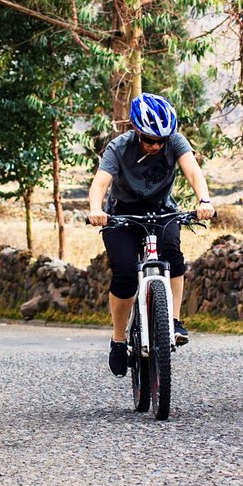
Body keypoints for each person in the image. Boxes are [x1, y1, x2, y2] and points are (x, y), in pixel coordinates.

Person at [85, 92, 215, 376]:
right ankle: (119, 340)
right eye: (149, 140)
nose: (156, 145)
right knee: (125, 275)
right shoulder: (118, 147)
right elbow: (100, 183)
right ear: (136, 131)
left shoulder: (176, 142)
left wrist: (204, 201)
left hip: (162, 212)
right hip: (122, 216)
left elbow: (193, 172)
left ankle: (174, 321)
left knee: (174, 258)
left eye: (161, 141)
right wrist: (97, 210)